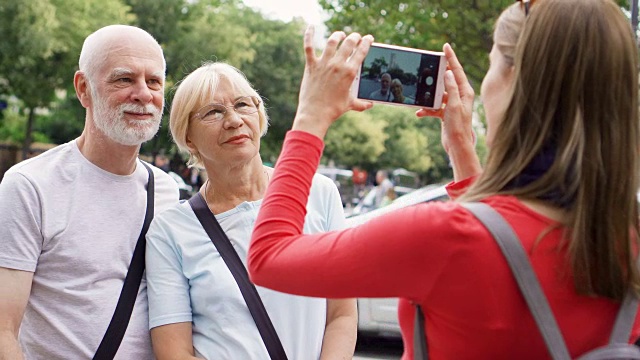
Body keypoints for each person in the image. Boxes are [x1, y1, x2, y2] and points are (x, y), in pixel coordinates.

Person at [247, 0, 640, 359]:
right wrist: (461, 149)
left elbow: (268, 257)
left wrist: (310, 117)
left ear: (515, 80)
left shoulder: (442, 237)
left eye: (491, 65)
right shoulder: (626, 243)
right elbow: (503, 244)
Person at [145, 62, 357, 359]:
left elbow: (341, 315)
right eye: (213, 112)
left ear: (259, 114)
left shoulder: (317, 192)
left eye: (243, 104)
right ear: (188, 137)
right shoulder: (170, 231)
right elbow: (174, 353)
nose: (233, 120)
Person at [0, 25, 180, 359]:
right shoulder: (30, 186)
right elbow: (3, 330)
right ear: (84, 89)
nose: (143, 94)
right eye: (124, 79)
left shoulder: (167, 191)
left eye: (154, 81)